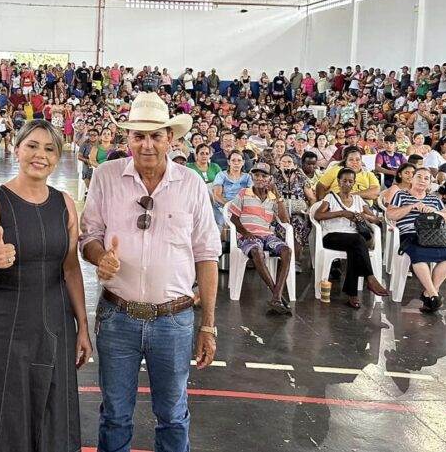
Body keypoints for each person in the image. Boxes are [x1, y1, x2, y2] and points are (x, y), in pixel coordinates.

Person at [79, 92, 218, 452]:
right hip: (116, 316)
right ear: (127, 139)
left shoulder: (191, 184)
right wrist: (99, 257)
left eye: (156, 135)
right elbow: (88, 237)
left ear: (171, 138)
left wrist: (208, 325)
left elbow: (207, 254)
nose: (147, 144)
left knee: (173, 415)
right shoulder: (106, 177)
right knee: (114, 415)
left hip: (174, 320)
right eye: (139, 136)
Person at [0, 120, 90, 451]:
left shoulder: (65, 203)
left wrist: (82, 326)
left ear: (58, 157)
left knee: (50, 418)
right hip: (1, 330)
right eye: (33, 146)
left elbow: (70, 268)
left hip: (55, 327)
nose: (40, 155)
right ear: (17, 149)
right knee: (0, 423)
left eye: (49, 149)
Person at [314, 167, 389, 308]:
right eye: (344, 181)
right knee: (358, 240)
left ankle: (352, 295)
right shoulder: (331, 197)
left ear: (354, 183)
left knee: (354, 249)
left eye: (350, 181)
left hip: (352, 240)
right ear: (338, 181)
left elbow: (376, 219)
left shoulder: (358, 199)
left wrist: (364, 216)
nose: (347, 184)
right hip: (332, 236)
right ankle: (371, 278)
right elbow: (318, 215)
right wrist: (341, 213)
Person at [226, 163, 294, 315]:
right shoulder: (244, 193)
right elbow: (234, 219)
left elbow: (285, 219)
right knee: (256, 251)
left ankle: (276, 295)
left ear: (270, 178)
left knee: (286, 251)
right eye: (256, 175)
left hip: (266, 235)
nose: (260, 178)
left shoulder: (272, 198)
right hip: (247, 235)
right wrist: (245, 232)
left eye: (264, 176)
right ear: (252, 177)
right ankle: (277, 295)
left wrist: (278, 195)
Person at [387, 168, 446, 313]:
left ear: (429, 183)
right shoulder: (401, 195)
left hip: (434, 236)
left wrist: (434, 211)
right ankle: (434, 295)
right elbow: (391, 215)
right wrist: (412, 207)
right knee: (419, 256)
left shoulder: (434, 199)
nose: (422, 180)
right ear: (412, 179)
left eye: (426, 178)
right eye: (419, 176)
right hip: (410, 234)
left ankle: (429, 294)